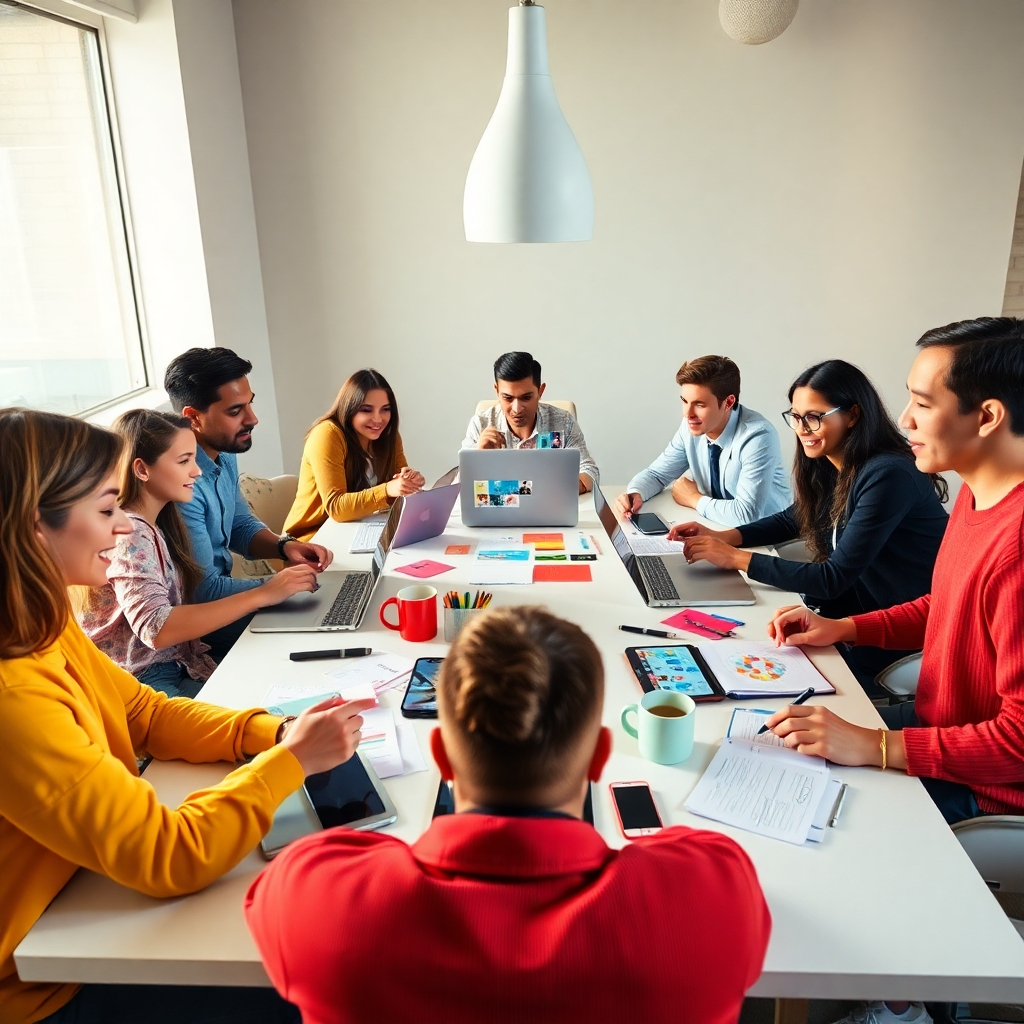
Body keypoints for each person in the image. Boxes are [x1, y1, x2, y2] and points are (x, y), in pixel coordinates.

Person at [0, 408, 373, 1024]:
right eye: (104, 510)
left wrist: (271, 731)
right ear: (34, 528)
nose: (122, 530)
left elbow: (142, 711)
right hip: (50, 982)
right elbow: (171, 855)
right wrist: (291, 761)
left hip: (84, 897)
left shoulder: (42, 625)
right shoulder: (15, 695)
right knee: (325, 982)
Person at [245, 607, 771, 1024]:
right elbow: (697, 859)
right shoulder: (711, 894)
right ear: (598, 757)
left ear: (443, 758)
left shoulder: (316, 895)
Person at [760, 323, 1024, 1024]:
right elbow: (949, 603)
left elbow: (1020, 742)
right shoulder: (974, 493)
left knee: (820, 837)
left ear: (987, 416)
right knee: (780, 745)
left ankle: (906, 1001)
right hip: (941, 729)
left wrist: (876, 746)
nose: (901, 420)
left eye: (920, 402)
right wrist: (846, 626)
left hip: (990, 785)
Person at [671, 360, 948, 692]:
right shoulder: (834, 462)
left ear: (853, 415)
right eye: (797, 417)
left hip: (889, 635)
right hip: (847, 618)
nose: (803, 428)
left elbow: (832, 579)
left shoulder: (888, 474)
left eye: (814, 417)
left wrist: (735, 558)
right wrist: (723, 536)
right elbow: (795, 517)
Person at [79, 410, 321, 698]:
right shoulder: (132, 532)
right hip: (146, 679)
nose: (196, 471)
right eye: (184, 461)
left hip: (178, 663)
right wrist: (264, 593)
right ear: (142, 470)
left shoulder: (157, 522)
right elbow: (155, 628)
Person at [164, 347, 333, 661]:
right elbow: (203, 593)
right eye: (235, 411)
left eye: (250, 404)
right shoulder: (182, 487)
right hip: (207, 626)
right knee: (322, 639)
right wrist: (277, 586)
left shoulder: (223, 454)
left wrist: (284, 547)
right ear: (193, 418)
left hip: (233, 604)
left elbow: (240, 524)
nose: (252, 419)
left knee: (339, 612)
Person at [616, 355, 790, 527]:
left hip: (768, 538)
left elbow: (746, 514)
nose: (687, 414)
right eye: (685, 401)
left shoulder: (758, 436)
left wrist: (693, 498)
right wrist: (635, 493)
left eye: (699, 404)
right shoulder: (691, 426)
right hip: (718, 527)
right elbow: (657, 475)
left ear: (728, 402)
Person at [283, 369, 425, 542]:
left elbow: (398, 484)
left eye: (385, 410)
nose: (378, 419)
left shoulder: (388, 436)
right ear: (349, 408)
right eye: (366, 410)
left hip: (359, 533)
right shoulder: (327, 434)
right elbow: (336, 507)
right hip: (311, 542)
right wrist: (388, 489)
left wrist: (408, 482)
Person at [461, 351, 599, 493]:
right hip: (499, 510)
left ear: (540, 391)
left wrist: (569, 486)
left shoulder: (563, 422)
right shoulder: (480, 424)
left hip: (548, 508)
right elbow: (460, 485)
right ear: (497, 391)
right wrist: (478, 457)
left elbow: (590, 471)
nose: (517, 409)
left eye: (526, 398)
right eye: (507, 398)